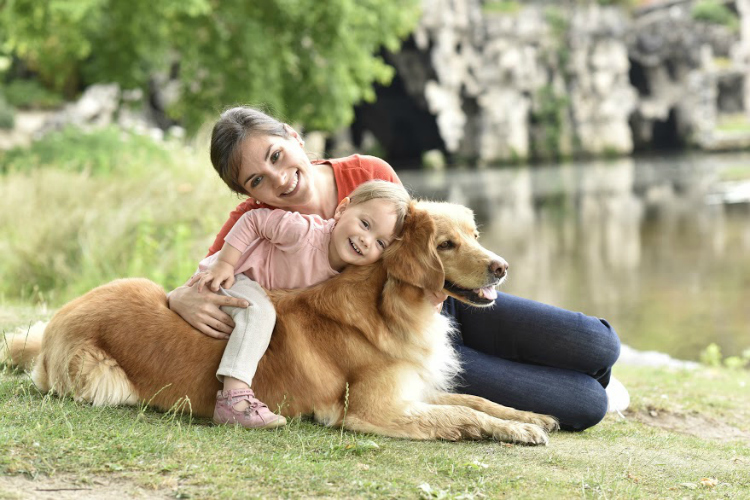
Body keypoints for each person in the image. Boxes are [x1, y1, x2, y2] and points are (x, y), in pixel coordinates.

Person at [168, 106, 624, 432]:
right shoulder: (254, 224)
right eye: (256, 181)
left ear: (291, 136)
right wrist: (178, 295)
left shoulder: (368, 172)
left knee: (598, 343)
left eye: (275, 155)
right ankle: (575, 381)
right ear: (246, 194)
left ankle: (575, 366)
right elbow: (213, 281)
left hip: (440, 302)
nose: (278, 179)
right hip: (383, 345)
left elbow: (431, 235)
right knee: (583, 404)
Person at [192, 180, 410, 429]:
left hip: (260, 292)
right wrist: (225, 264)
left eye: (381, 243)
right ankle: (234, 400)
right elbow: (254, 220)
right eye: (365, 224)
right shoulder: (303, 232)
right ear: (342, 209)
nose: (366, 240)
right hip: (232, 277)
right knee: (258, 312)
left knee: (266, 315)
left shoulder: (349, 272)